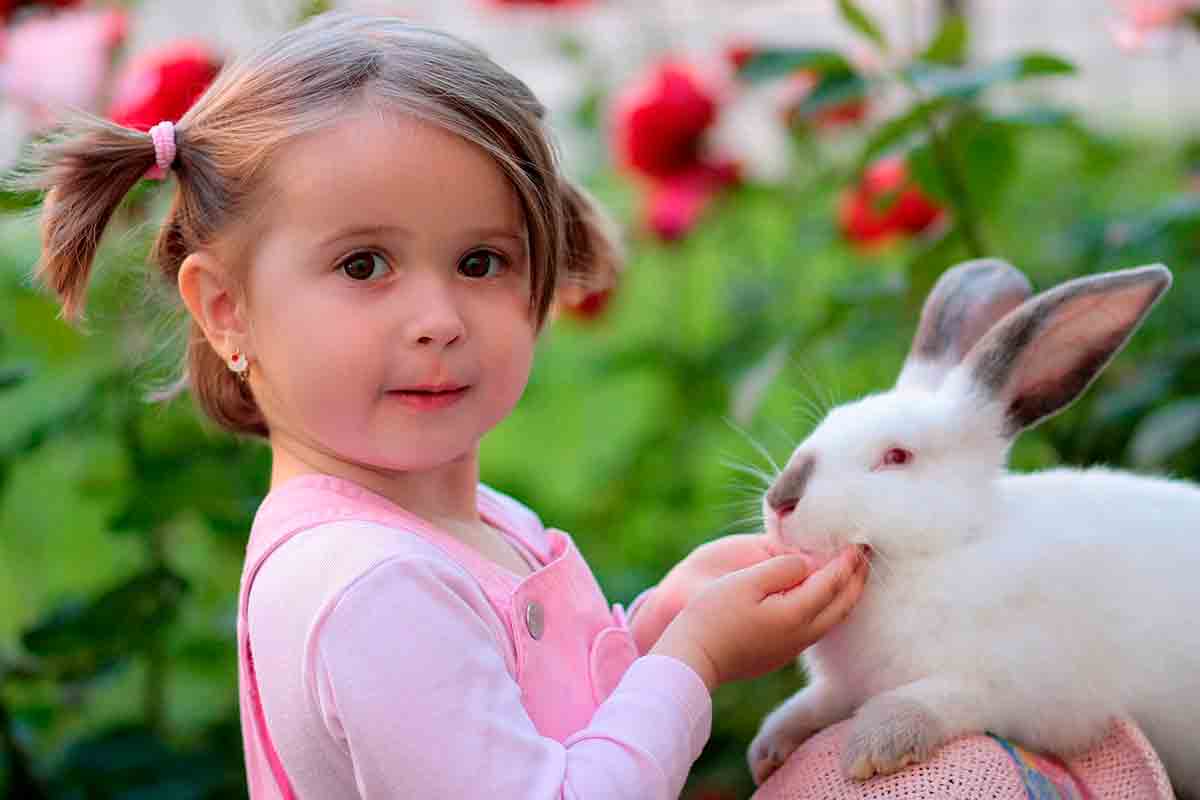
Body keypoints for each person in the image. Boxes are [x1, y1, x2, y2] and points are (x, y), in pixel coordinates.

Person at [26, 12, 868, 799]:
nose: (438, 320)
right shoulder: (372, 587)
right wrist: (693, 660)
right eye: (363, 266)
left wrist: (658, 624)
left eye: (480, 262)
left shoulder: (466, 524)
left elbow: (543, 725)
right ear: (226, 310)